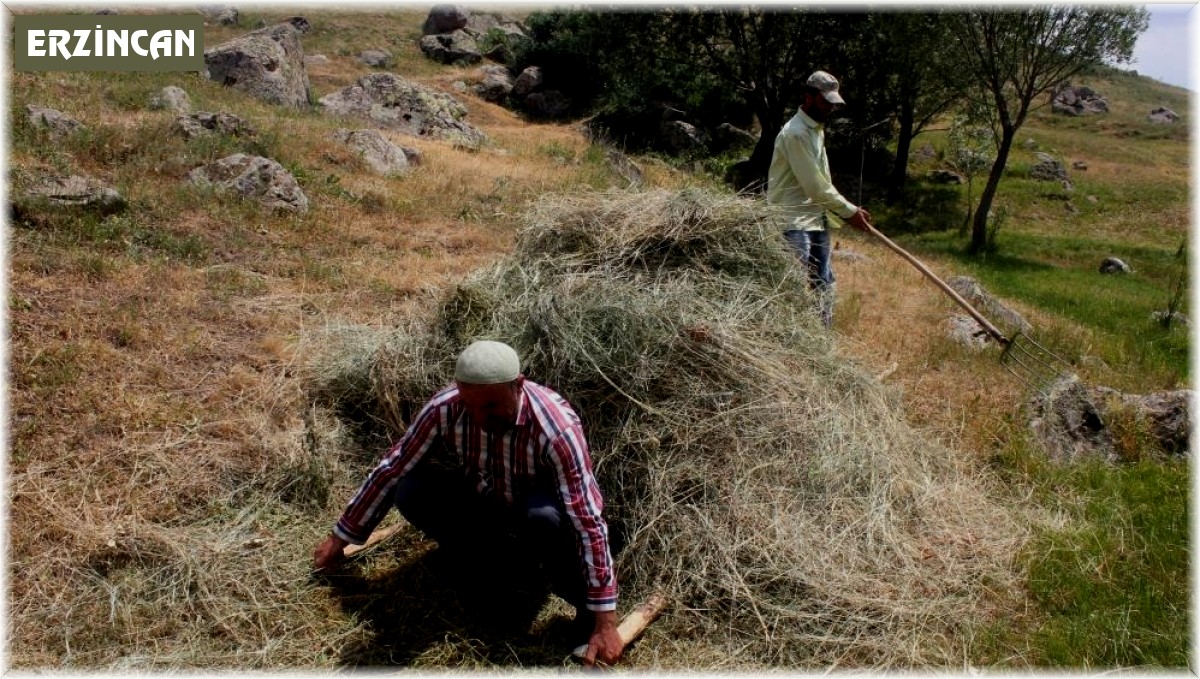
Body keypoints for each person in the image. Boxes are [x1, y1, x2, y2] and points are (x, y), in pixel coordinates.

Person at [312, 340, 623, 666]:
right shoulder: (446, 409)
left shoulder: (555, 429)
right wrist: (341, 537)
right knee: (412, 490)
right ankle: (484, 565)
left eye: (490, 407)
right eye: (470, 406)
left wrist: (606, 620)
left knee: (544, 517)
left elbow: (587, 520)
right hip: (486, 501)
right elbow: (394, 466)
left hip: (538, 514)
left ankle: (584, 609)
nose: (479, 418)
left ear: (518, 386)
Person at [767, 70, 875, 328]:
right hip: (792, 221)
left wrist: (842, 211)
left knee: (823, 282)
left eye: (832, 103)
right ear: (808, 96)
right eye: (825, 101)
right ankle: (788, 340)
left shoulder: (815, 129)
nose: (830, 108)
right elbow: (815, 186)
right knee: (792, 286)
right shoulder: (795, 134)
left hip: (815, 218)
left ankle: (822, 341)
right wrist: (849, 211)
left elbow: (823, 181)